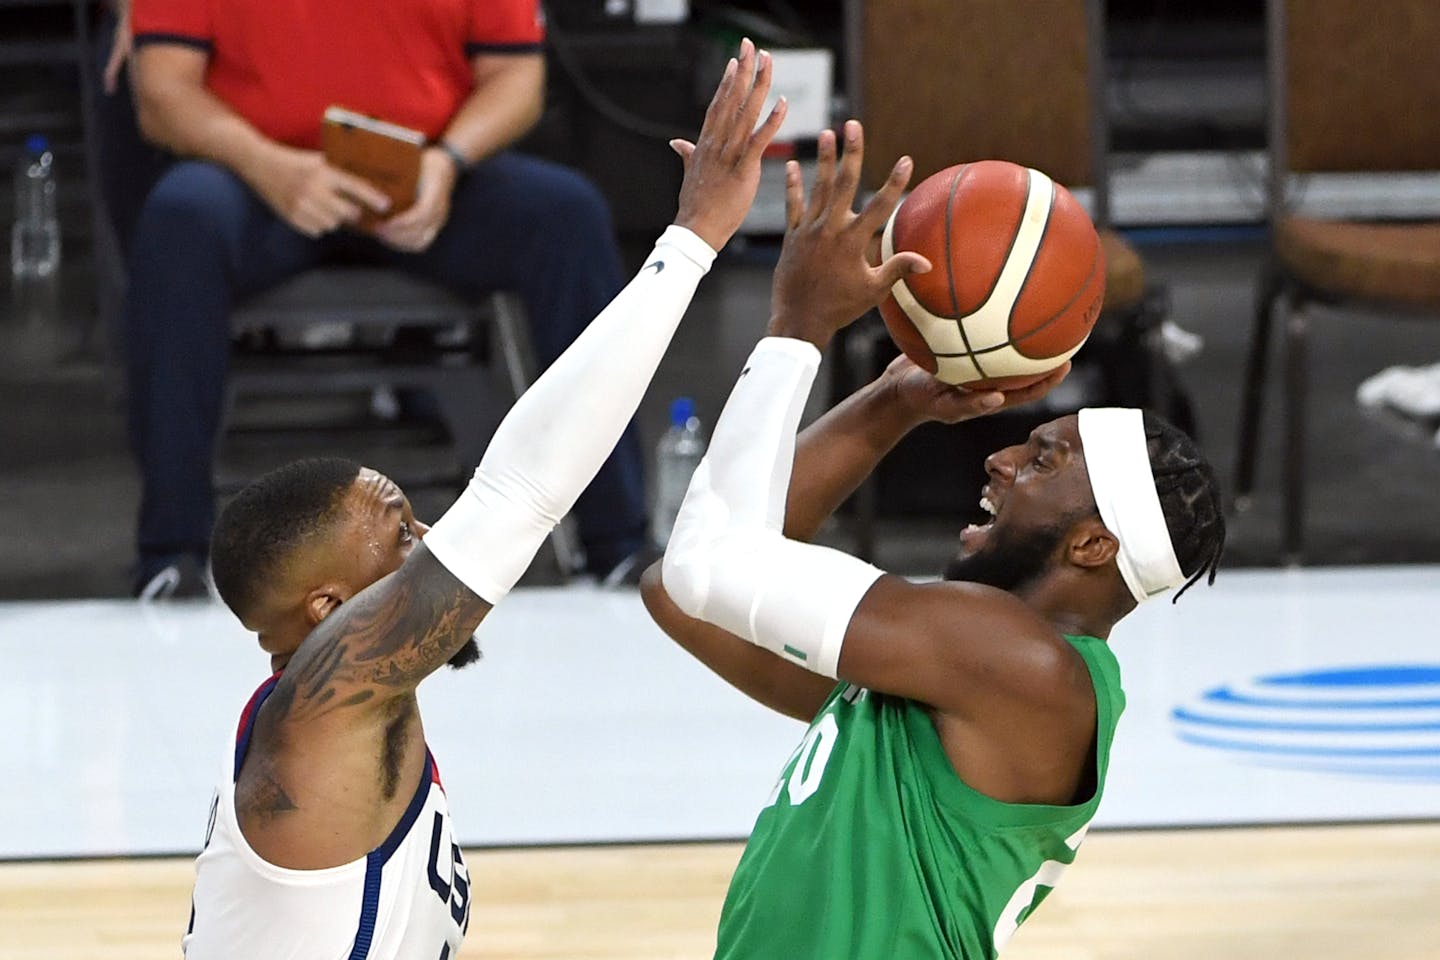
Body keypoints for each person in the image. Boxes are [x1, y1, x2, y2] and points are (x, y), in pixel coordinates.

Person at [180, 42, 786, 958]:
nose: (429, 542)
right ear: (330, 611)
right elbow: (521, 487)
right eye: (399, 533)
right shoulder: (321, 714)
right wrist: (691, 243)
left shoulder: (346, 711)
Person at [641, 121, 1227, 959]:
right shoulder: (947, 678)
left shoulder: (1020, 665)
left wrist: (799, 323)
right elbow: (681, 589)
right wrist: (896, 398)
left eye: (1041, 460)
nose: (996, 457)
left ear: (1093, 546)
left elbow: (706, 566)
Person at [122, 0, 653, 597]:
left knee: (567, 216)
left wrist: (448, 161)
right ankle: (172, 554)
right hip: (257, 178)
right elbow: (163, 94)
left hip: (426, 174)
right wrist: (268, 166)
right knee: (180, 218)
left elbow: (517, 79)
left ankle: (618, 542)